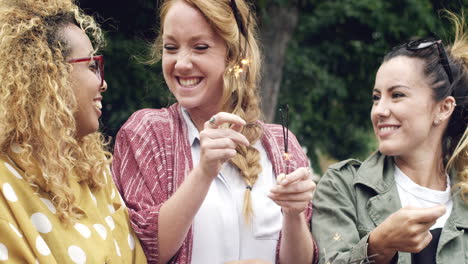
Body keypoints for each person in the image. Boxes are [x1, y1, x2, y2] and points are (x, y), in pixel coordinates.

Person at [112, 0, 317, 263]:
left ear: (232, 55)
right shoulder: (146, 134)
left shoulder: (281, 144)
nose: (182, 63)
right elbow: (141, 252)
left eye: (200, 47)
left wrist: (293, 213)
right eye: (171, 48)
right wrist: (203, 173)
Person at [311, 12, 468, 264]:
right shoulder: (343, 186)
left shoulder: (464, 197)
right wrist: (377, 246)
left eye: (397, 95)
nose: (380, 110)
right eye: (376, 97)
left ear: (443, 108)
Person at [0, 0, 147, 263]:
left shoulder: (94, 170)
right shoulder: (5, 182)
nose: (103, 83)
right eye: (92, 66)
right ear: (49, 74)